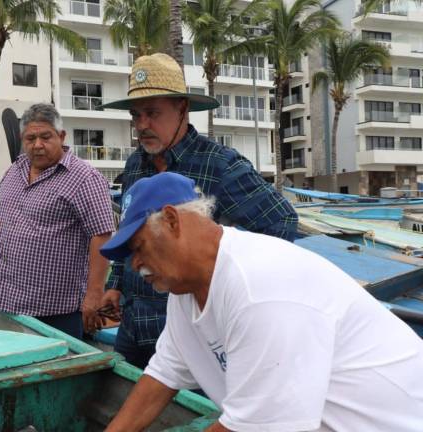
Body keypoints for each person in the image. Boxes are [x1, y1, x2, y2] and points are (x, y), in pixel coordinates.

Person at [101, 172, 423, 432]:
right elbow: (163, 375)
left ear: (172, 221)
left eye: (139, 246)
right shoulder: (185, 294)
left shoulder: (259, 287)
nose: (134, 264)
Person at [99, 53, 298, 368]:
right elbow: (130, 230)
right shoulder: (135, 164)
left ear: (182, 109)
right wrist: (115, 285)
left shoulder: (220, 164)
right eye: (136, 116)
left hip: (194, 332)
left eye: (152, 113)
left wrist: (225, 288)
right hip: (134, 322)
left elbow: (281, 223)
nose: (142, 125)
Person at [0, 103, 115, 339]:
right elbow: (2, 223)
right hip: (5, 298)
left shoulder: (84, 177)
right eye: (30, 138)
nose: (37, 145)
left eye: (46, 137)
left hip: (54, 308)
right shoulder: (14, 171)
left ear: (61, 136)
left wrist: (94, 293)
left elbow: (102, 234)